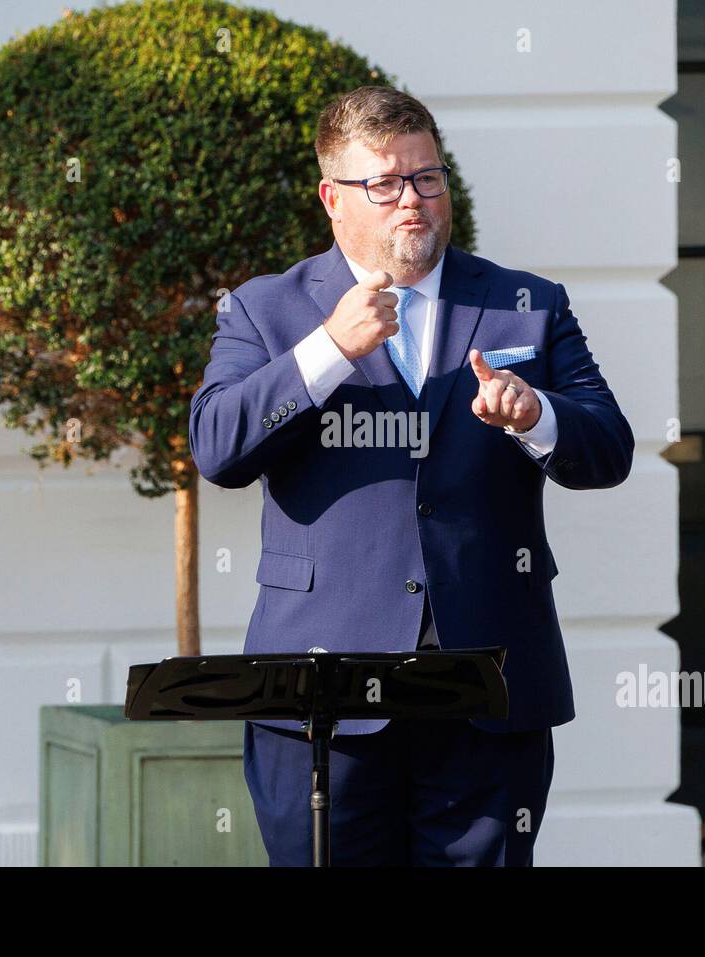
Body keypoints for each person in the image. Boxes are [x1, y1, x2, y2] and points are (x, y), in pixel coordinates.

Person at [189, 85, 634, 866]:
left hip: (486, 684)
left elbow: (610, 449)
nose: (412, 201)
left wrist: (537, 416)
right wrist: (328, 349)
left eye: (428, 178)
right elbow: (218, 447)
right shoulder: (265, 310)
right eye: (385, 184)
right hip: (321, 695)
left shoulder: (525, 304)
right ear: (333, 197)